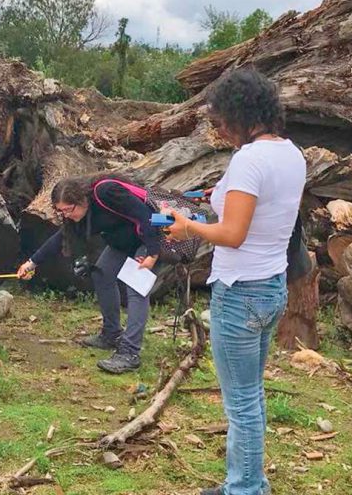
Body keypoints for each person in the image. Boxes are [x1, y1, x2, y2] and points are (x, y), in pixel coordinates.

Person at [164, 68, 305, 495]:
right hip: (272, 286)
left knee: (240, 403)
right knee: (252, 393)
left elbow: (232, 234)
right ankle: (249, 482)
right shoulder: (291, 153)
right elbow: (263, 207)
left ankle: (243, 489)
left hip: (240, 292)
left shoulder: (248, 159)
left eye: (222, 123)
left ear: (242, 114)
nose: (220, 132)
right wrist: (217, 196)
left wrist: (188, 228)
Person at [16, 173, 161, 374]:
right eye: (61, 211)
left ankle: (130, 352)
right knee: (102, 273)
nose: (66, 215)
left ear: (81, 199)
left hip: (150, 235)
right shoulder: (77, 215)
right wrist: (31, 263)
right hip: (123, 240)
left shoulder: (106, 192)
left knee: (136, 287)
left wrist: (152, 253)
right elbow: (61, 238)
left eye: (69, 209)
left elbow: (147, 216)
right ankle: (111, 334)